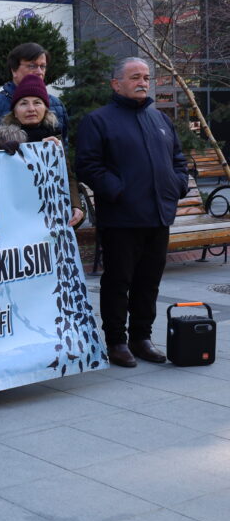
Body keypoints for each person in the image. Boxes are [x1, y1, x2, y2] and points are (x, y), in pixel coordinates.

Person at [76, 57, 189, 368]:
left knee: (148, 282)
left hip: (158, 216)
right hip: (121, 218)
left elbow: (179, 160)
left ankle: (142, 338)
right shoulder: (98, 121)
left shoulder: (160, 119)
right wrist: (118, 191)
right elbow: (87, 165)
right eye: (135, 77)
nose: (143, 82)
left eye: (146, 77)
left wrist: (177, 186)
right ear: (116, 84)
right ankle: (116, 341)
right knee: (118, 282)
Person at [0, 74, 84, 227]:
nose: (31, 109)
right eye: (23, 103)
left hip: (49, 223)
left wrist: (75, 205)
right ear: (14, 111)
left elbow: (67, 176)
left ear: (46, 109)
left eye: (37, 102)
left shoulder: (54, 139)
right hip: (15, 222)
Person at [0, 42, 70, 141]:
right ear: (14, 70)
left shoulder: (56, 104)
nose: (39, 72)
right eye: (32, 66)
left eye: (42, 66)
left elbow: (63, 145)